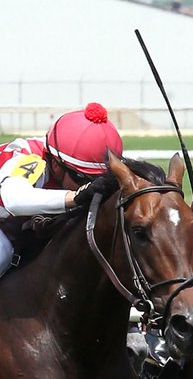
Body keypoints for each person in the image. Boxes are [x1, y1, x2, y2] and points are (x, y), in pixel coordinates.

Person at [0, 102, 123, 278]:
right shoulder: (30, 159)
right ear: (57, 166)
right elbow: (14, 199)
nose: (91, 187)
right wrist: (76, 197)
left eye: (99, 180)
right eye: (83, 180)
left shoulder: (63, 159)